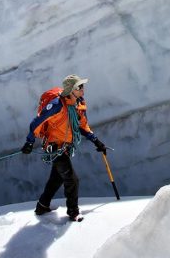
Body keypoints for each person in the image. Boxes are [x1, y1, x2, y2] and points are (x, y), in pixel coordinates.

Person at [22, 74, 108, 222]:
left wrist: (96, 141)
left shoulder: (78, 103)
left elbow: (81, 125)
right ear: (71, 90)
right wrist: (29, 142)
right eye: (79, 87)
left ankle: (42, 205)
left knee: (57, 178)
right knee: (72, 180)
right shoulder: (56, 105)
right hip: (54, 148)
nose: (83, 89)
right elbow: (36, 122)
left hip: (65, 147)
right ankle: (73, 212)